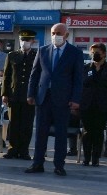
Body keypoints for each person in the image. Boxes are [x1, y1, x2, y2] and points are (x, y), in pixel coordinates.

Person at [25, 23, 85, 176]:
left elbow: (78, 79)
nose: (55, 36)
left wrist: (75, 99)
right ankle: (37, 163)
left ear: (66, 35)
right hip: (43, 97)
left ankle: (59, 165)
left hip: (63, 99)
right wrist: (30, 94)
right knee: (40, 133)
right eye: (53, 33)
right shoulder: (43, 50)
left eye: (58, 33)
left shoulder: (75, 53)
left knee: (60, 133)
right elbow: (35, 73)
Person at [79, 43, 107, 166]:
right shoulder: (86, 68)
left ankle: (95, 158)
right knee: (87, 132)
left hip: (103, 106)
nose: (95, 55)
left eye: (97, 52)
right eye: (93, 52)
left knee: (98, 132)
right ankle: (86, 158)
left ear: (104, 54)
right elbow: (81, 86)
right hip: (87, 105)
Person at [0, 30, 37, 160]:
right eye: (22, 40)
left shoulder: (36, 55)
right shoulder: (12, 55)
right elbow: (6, 76)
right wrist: (4, 93)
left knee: (27, 124)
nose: (24, 42)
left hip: (29, 96)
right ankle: (12, 149)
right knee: (14, 123)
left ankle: (24, 150)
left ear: (32, 41)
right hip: (14, 94)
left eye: (27, 40)